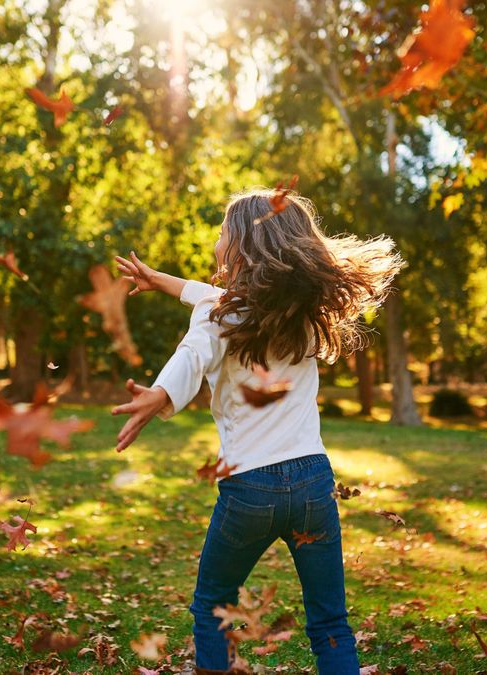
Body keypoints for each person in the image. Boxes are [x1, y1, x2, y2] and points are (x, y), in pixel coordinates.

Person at [111, 188, 402, 673]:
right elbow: (211, 299)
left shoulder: (221, 314)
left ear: (242, 245)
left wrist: (161, 395)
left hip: (251, 488)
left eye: (225, 231)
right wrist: (164, 282)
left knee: (212, 606)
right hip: (313, 483)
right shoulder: (305, 315)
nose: (218, 238)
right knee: (330, 623)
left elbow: (193, 353)